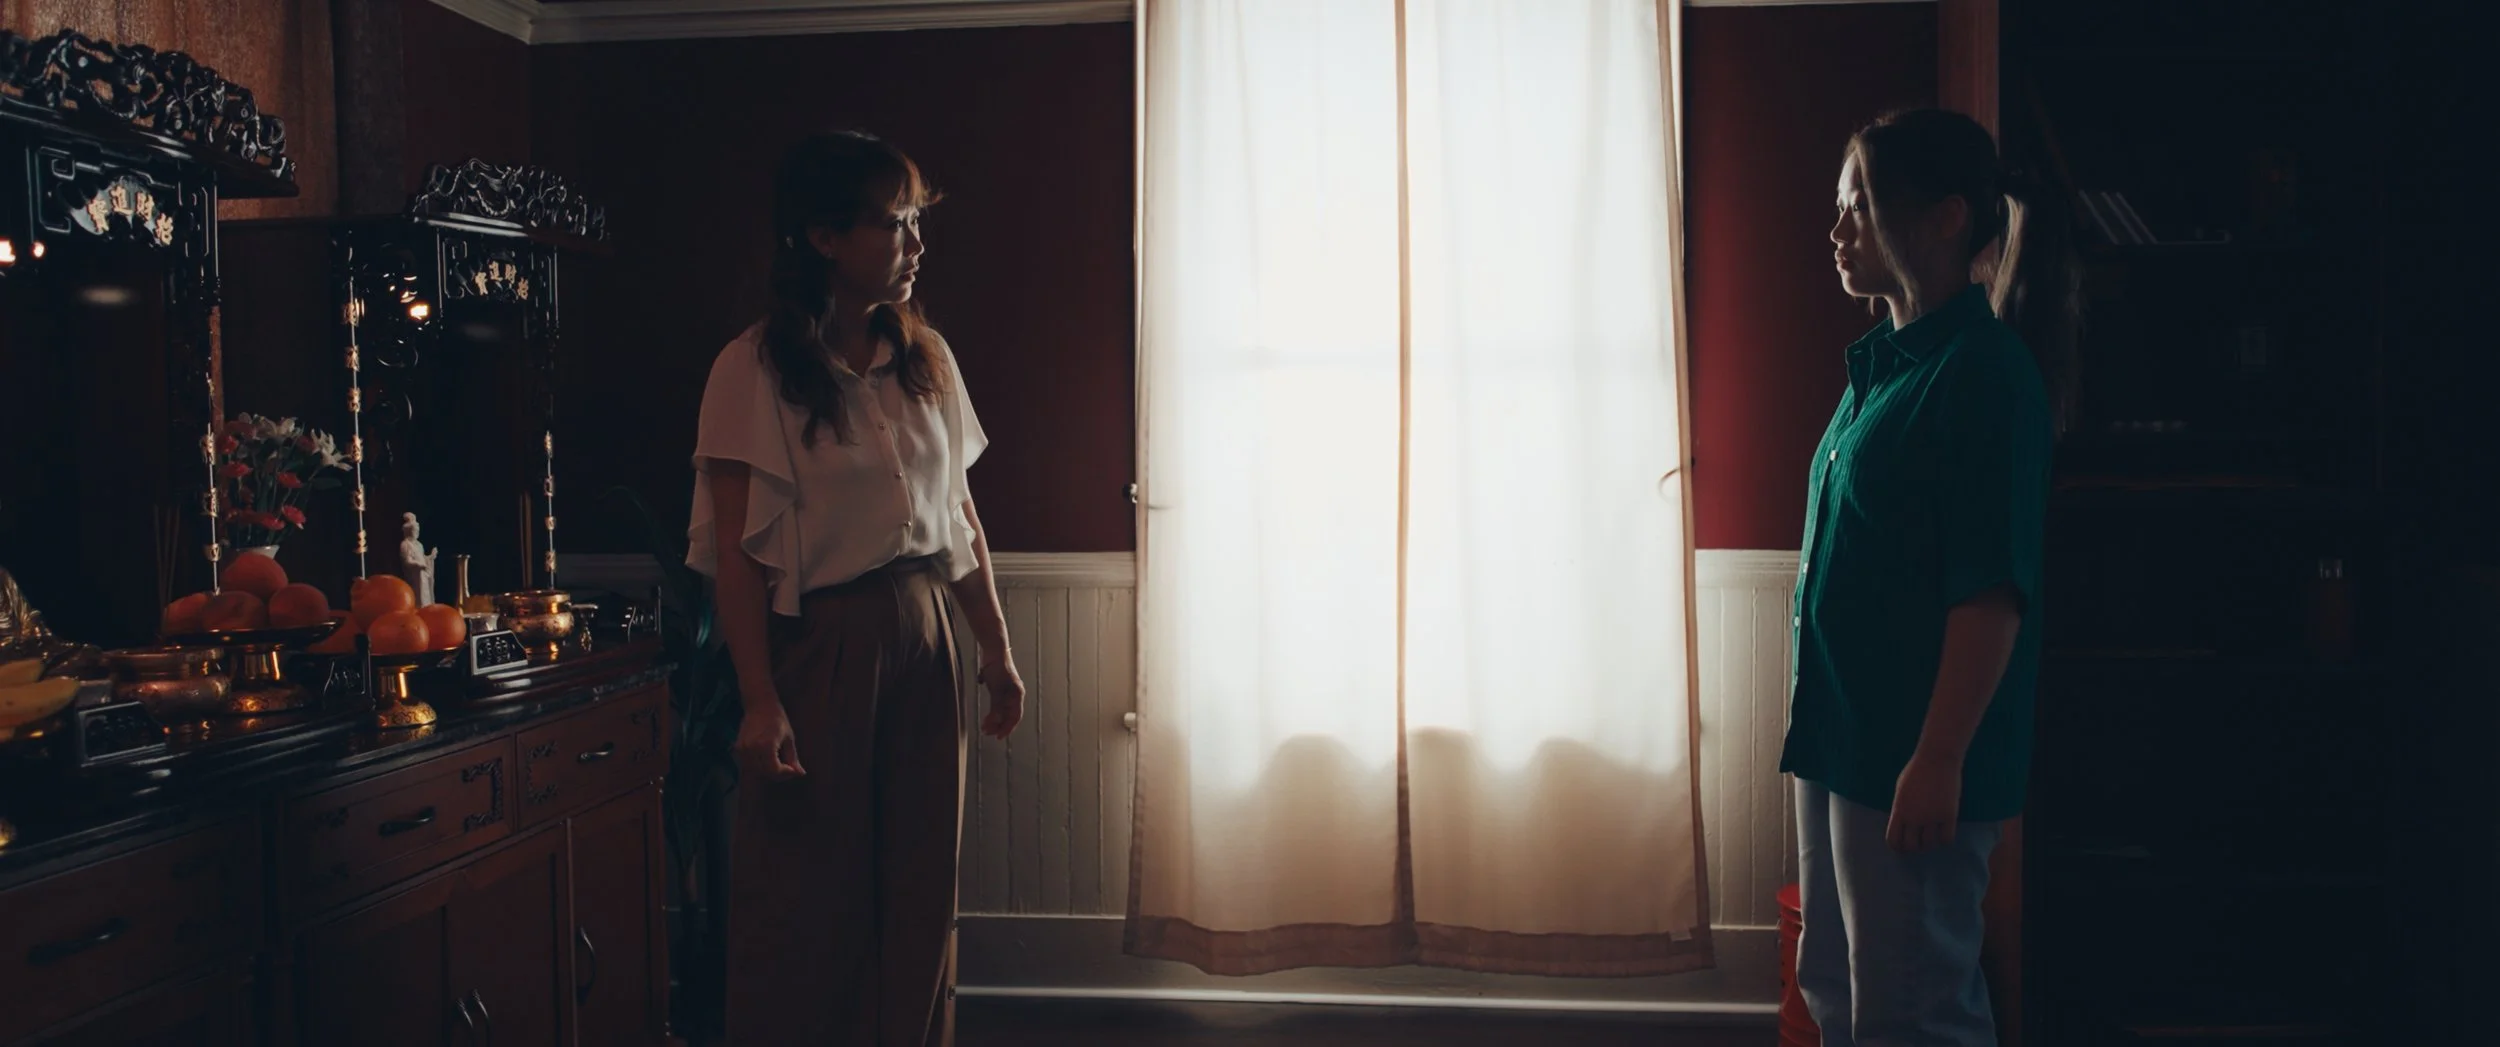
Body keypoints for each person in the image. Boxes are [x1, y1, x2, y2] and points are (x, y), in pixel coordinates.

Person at [688, 130, 1026, 1047]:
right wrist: (760, 699)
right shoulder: (751, 370)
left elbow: (959, 518)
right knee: (809, 887)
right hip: (824, 640)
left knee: (921, 876)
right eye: (894, 223)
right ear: (823, 236)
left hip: (926, 630)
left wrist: (995, 649)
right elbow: (737, 554)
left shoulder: (928, 359)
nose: (916, 243)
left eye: (916, 221)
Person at [1784, 108, 2077, 1046]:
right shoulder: (1886, 367)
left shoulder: (1983, 375)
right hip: (1842, 739)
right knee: (1836, 985)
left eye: (1862, 204)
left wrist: (1940, 756)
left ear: (1947, 217)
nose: (1839, 228)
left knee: (1912, 1009)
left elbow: (1990, 593)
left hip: (1907, 753)